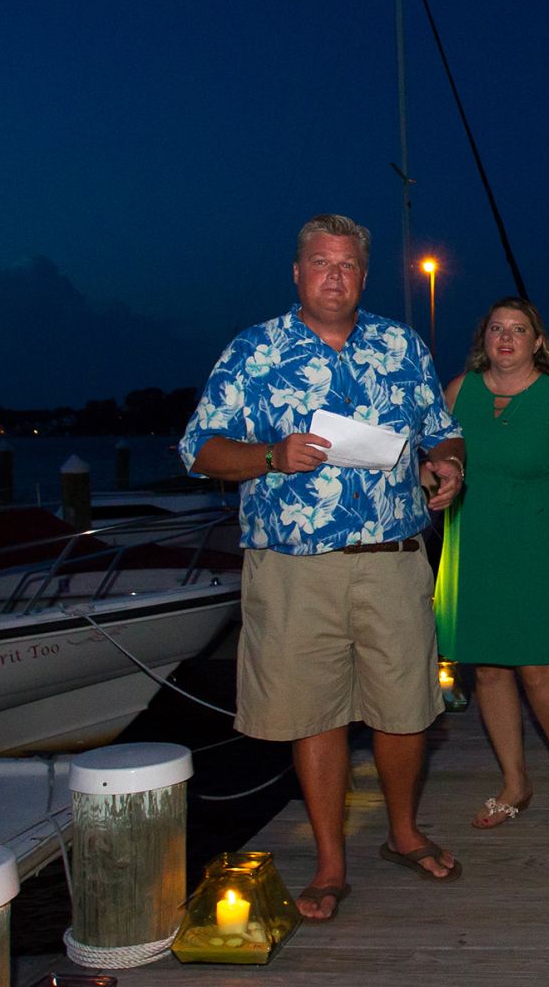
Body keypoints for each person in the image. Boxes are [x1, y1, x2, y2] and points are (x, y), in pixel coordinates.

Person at [179, 213, 464, 924]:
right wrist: (270, 455)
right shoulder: (255, 350)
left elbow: (442, 430)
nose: (334, 277)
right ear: (297, 272)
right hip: (294, 569)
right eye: (320, 263)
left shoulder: (402, 345)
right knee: (316, 714)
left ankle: (403, 833)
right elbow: (199, 449)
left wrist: (448, 465)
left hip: (393, 559)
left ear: (363, 276)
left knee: (406, 710)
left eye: (347, 265)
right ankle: (331, 865)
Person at [435, 297, 549, 834]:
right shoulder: (458, 392)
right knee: (486, 668)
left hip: (540, 543)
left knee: (538, 666)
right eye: (496, 329)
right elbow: (436, 460)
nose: (505, 338)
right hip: (474, 543)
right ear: (483, 339)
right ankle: (515, 782)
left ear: (538, 342)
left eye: (518, 329)